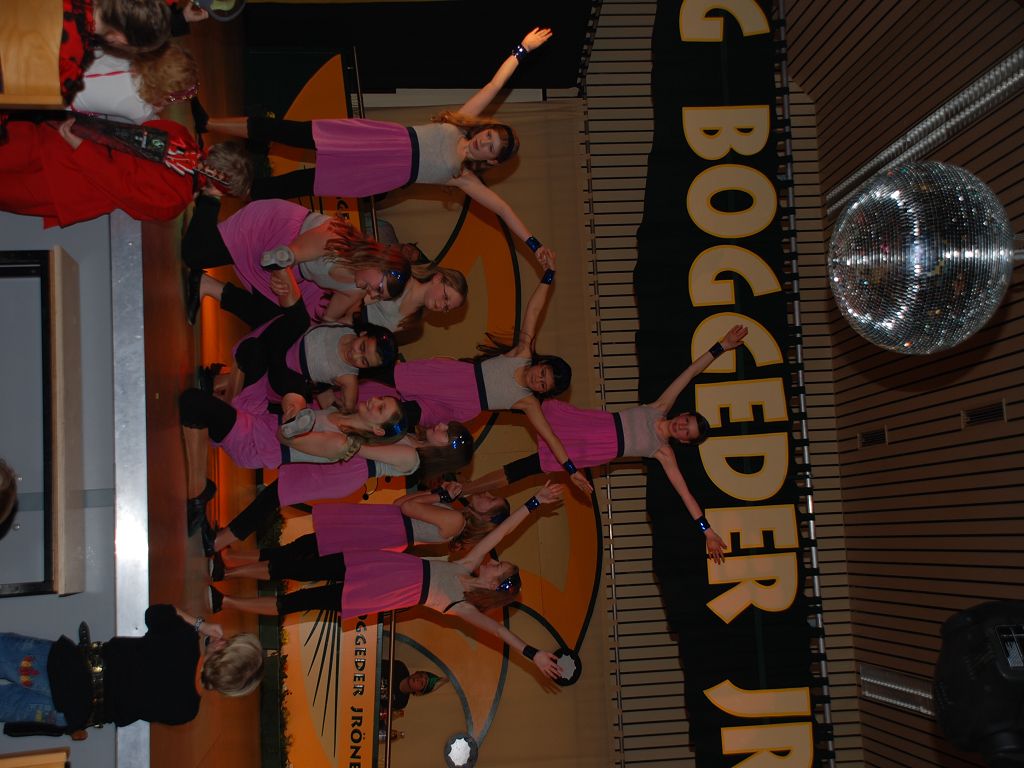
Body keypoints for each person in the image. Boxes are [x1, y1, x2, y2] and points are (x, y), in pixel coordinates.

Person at [204, 27, 557, 266]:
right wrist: (523, 49)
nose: (484, 141)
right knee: (287, 132)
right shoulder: (459, 125)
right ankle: (207, 122)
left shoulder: (462, 177)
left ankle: (218, 189)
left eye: (490, 147)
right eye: (489, 135)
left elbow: (504, 210)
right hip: (371, 140)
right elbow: (494, 85)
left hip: (374, 175)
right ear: (485, 129)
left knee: (288, 186)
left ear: (491, 161)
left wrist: (535, 244)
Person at [208, 483, 566, 681]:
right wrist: (534, 502)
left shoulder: (462, 606)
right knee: (297, 568)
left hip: (375, 591)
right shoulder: (468, 564)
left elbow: (499, 631)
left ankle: (225, 602)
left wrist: (532, 653)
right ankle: (228, 572)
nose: (493, 562)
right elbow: (501, 531)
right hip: (370, 562)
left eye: (498, 568)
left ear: (493, 585)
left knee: (296, 603)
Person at [461, 325, 751, 563]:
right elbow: (689, 373)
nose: (682, 427)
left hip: (590, 451)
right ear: (683, 414)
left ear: (684, 440)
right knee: (524, 403)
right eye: (686, 422)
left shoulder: (663, 452)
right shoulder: (660, 407)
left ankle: (463, 490)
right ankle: (468, 386)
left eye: (687, 432)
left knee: (522, 470)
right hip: (584, 423)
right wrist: (722, 346)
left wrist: (707, 532)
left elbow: (686, 495)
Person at [359, 256, 592, 494]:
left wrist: (571, 470)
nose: (538, 380)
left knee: (403, 415)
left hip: (462, 407)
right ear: (541, 363)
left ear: (543, 392)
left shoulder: (528, 402)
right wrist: (548, 276)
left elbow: (550, 437)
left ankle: (360, 433)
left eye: (543, 385)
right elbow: (534, 311)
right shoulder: (522, 353)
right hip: (452, 377)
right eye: (542, 374)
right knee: (388, 374)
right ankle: (344, 370)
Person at [207, 419, 475, 556]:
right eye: (447, 426)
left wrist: (340, 430)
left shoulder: (411, 456)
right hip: (345, 463)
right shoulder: (414, 441)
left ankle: (220, 541)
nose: (441, 425)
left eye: (447, 433)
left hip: (346, 468)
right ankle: (222, 538)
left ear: (446, 452)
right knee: (275, 492)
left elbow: (364, 449)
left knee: (275, 495)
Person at [0, 604, 262, 738]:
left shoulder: (183, 640)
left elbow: (157, 612)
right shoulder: (186, 711)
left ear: (223, 645)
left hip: (67, 669)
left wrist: (200, 625)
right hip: (73, 713)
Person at [179, 387, 409, 536]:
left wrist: (293, 414)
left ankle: (199, 490)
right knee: (196, 409)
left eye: (380, 407)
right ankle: (200, 488)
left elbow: (285, 438)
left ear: (378, 430)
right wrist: (294, 402)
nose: (374, 400)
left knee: (193, 402)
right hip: (260, 425)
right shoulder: (340, 412)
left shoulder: (341, 443)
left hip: (258, 444)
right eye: (380, 398)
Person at [212, 480, 509, 576]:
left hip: (383, 532)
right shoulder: (456, 515)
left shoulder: (456, 521)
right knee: (303, 547)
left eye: (491, 499)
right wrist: (438, 493)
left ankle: (230, 567)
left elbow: (408, 509)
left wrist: (441, 496)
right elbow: (402, 502)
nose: (485, 493)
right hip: (383, 525)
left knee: (301, 552)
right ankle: (233, 560)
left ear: (489, 518)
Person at [0, 117, 251, 228]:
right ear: (218, 191)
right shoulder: (173, 201)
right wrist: (82, 149)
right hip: (68, 187)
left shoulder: (178, 133)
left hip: (57, 138)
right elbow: (118, 185)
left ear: (214, 148)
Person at [71, 42, 199, 124]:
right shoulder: (140, 108)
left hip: (66, 62)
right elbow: (150, 125)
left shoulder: (127, 50)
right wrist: (153, 110)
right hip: (65, 102)